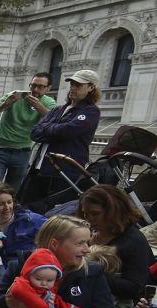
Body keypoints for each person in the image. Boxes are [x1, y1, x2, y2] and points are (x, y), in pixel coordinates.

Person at [24, 70, 101, 212]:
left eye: (78, 85)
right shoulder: (58, 110)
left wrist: (48, 127)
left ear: (91, 88)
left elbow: (68, 131)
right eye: (72, 84)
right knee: (25, 207)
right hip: (39, 167)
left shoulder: (91, 111)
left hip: (64, 171)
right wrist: (55, 129)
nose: (73, 88)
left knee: (52, 212)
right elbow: (35, 133)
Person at [79, 185, 153, 308]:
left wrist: (91, 274)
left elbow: (134, 287)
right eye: (85, 213)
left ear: (113, 211)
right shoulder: (89, 234)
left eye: (95, 214)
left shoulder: (132, 241)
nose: (89, 219)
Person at [0, 72, 54, 186]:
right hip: (0, 149)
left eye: (40, 87)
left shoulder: (48, 102)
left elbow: (53, 119)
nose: (35, 89)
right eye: (33, 85)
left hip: (23, 152)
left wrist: (38, 106)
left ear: (48, 89)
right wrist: (5, 104)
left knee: (13, 190)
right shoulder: (15, 95)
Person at [0, 183, 45, 264]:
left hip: (26, 266)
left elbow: (56, 230)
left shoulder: (29, 219)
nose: (7, 207)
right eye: (0, 204)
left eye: (9, 202)